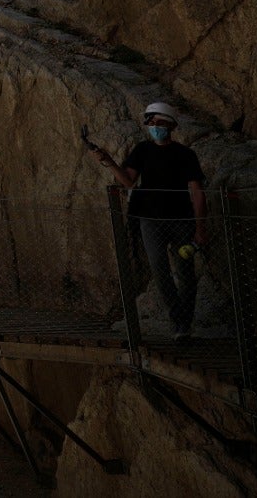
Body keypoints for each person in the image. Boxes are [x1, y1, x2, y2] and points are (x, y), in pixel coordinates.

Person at [92, 101, 207, 340]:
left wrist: (199, 226)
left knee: (185, 273)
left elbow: (197, 192)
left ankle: (185, 323)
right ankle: (179, 322)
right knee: (160, 269)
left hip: (180, 219)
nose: (155, 127)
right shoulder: (143, 150)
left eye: (159, 123)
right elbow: (129, 180)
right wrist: (109, 162)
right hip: (150, 220)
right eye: (151, 123)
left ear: (171, 126)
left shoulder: (185, 155)